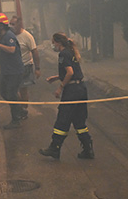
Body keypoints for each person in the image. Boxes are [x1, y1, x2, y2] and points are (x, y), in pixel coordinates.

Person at [39, 32, 94, 160]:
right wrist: (57, 77)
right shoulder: (71, 52)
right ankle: (88, 150)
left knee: (63, 119)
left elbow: (70, 72)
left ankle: (54, 148)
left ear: (58, 42)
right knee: (79, 121)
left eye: (53, 42)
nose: (52, 45)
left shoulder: (63, 54)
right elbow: (74, 72)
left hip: (72, 91)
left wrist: (60, 87)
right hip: (81, 89)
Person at [0, 13, 25, 129]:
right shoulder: (3, 37)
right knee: (4, 92)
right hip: (7, 71)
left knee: (11, 94)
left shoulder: (9, 36)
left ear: (1, 26)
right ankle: (20, 111)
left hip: (14, 71)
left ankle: (16, 120)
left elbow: (12, 49)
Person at [10, 16, 40, 120]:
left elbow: (34, 52)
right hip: (13, 68)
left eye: (13, 24)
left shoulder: (27, 36)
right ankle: (18, 108)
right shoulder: (9, 36)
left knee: (23, 89)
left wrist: (37, 68)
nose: (11, 26)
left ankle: (24, 109)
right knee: (13, 89)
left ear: (19, 24)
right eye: (10, 24)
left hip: (25, 67)